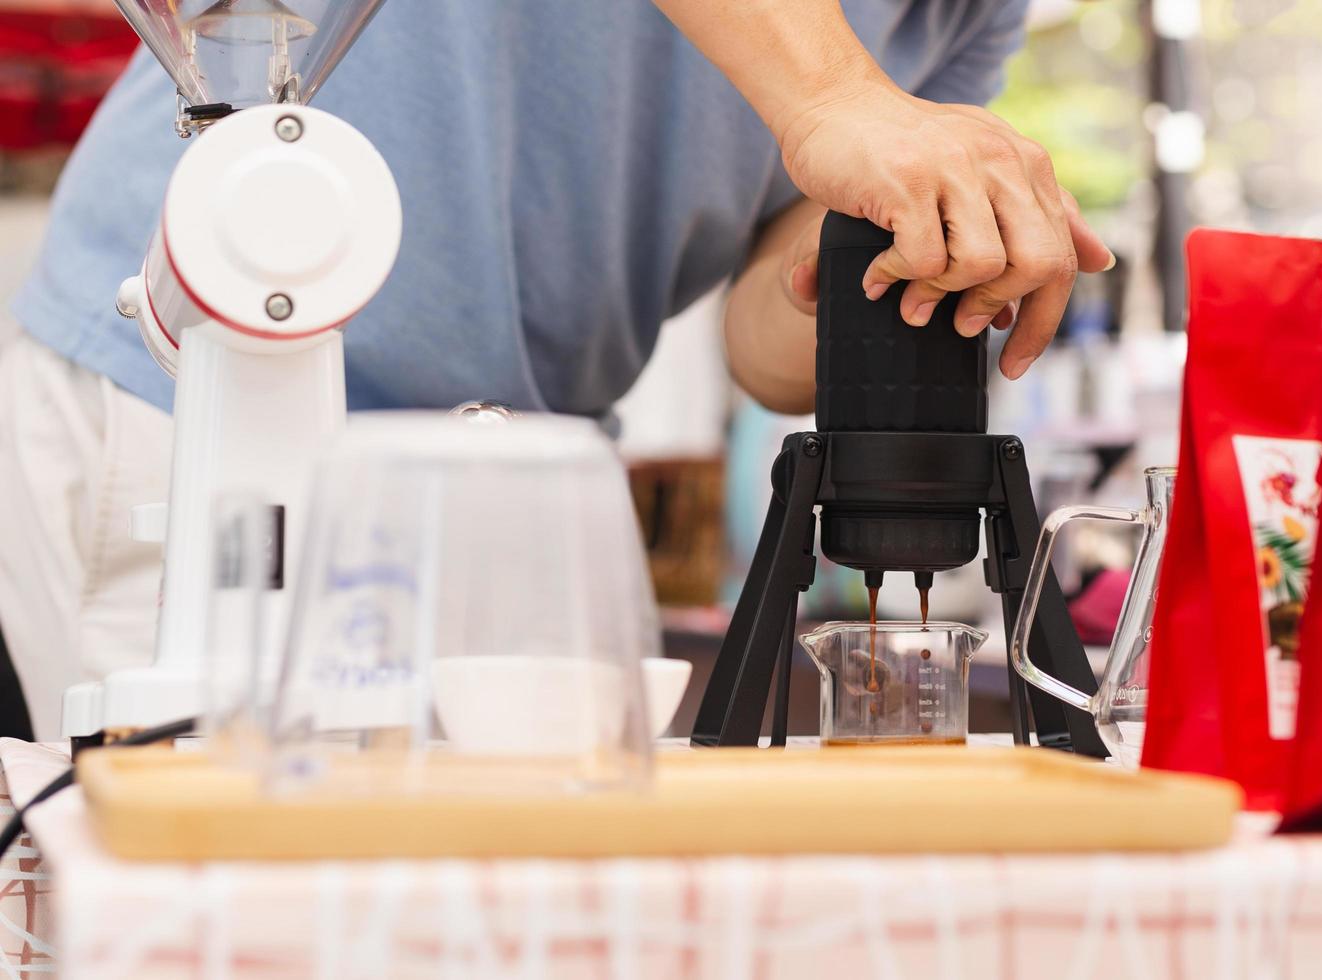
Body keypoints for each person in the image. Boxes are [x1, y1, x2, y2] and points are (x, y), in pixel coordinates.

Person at [1, 0, 1109, 737]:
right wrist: (841, 100)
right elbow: (836, 113)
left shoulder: (966, 11)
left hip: (515, 465)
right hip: (210, 390)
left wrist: (903, 269)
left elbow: (763, 340)